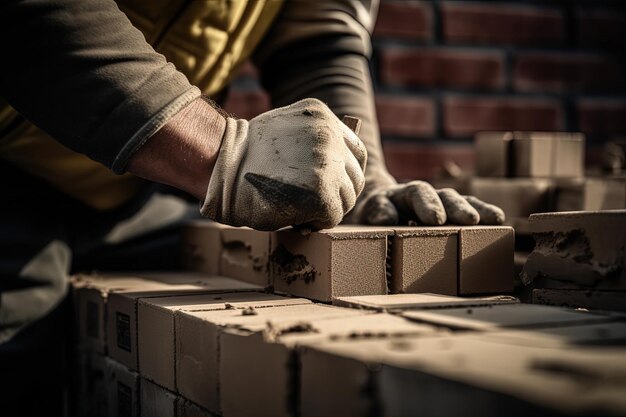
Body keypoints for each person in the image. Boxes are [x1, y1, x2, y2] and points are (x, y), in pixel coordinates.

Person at [0, 0, 503, 415]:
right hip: (11, 167)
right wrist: (222, 150)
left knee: (238, 263)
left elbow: (317, 40)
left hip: (128, 188)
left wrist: (362, 183)